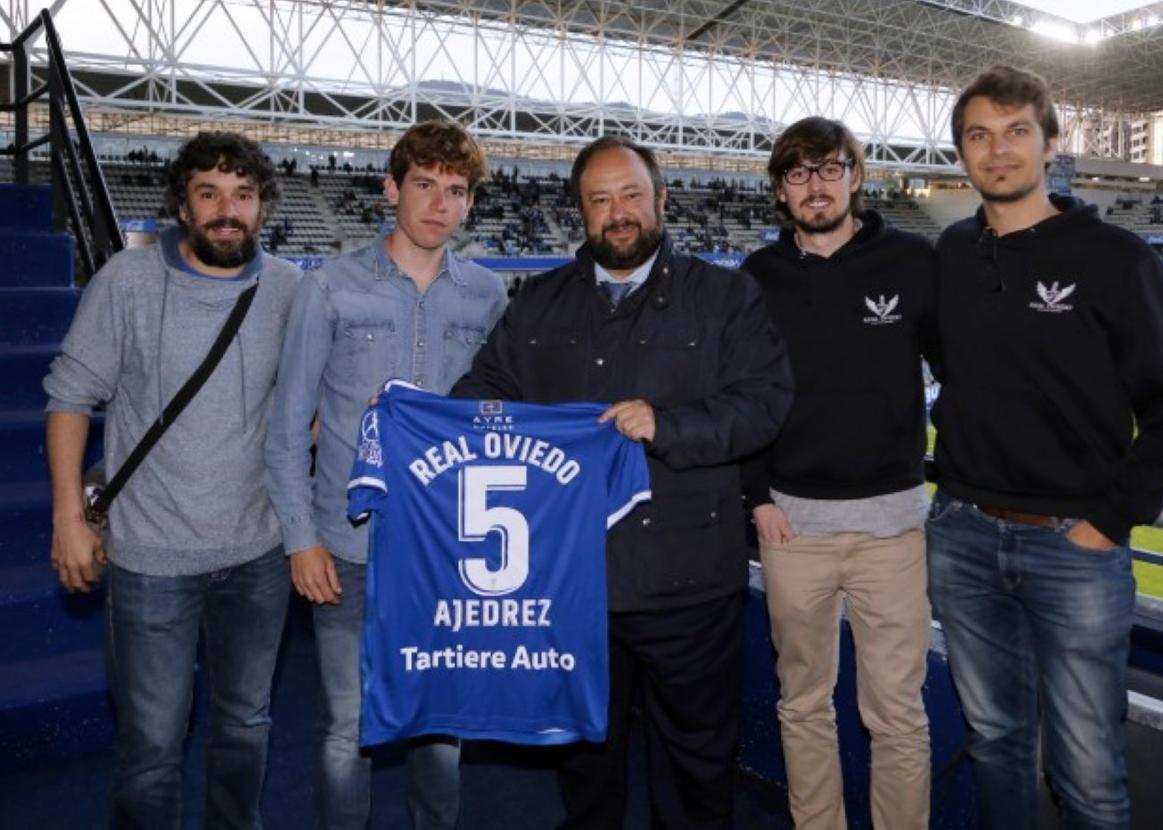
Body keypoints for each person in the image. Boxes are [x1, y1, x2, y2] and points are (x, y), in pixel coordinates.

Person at [451, 135, 792, 829]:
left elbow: (764, 404)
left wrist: (668, 425)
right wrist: (409, 415)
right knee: (585, 766)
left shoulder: (725, 296)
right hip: (575, 587)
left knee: (696, 768)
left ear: (661, 199)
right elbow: (480, 395)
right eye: (600, 200)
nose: (619, 212)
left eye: (631, 194)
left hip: (689, 585)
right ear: (581, 213)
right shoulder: (539, 303)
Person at [927, 65, 1163, 829]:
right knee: (995, 745)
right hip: (964, 537)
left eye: (1017, 132)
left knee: (1087, 775)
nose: (998, 150)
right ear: (962, 153)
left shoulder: (1116, 258)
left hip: (1072, 549)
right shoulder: (948, 253)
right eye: (979, 135)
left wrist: (1103, 525)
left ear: (1052, 143)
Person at [44, 131, 300, 828]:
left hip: (257, 555)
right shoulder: (125, 283)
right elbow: (69, 398)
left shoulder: (288, 289)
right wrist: (69, 517)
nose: (228, 210)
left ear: (262, 207)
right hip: (151, 561)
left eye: (243, 196)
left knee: (247, 726)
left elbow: (307, 399)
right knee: (152, 748)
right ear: (182, 207)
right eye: (209, 193)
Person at [264, 120, 506, 830]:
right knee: (348, 728)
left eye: (455, 191)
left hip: (448, 552)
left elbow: (499, 419)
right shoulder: (330, 288)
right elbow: (286, 428)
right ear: (391, 188)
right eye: (424, 185)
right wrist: (299, 540)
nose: (439, 204)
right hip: (349, 546)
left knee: (440, 728)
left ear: (470, 204)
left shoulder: (487, 297)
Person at [742, 117, 936, 830]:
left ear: (856, 176)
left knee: (897, 714)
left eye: (829, 169)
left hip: (892, 528)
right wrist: (755, 496)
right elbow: (745, 395)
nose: (815, 185)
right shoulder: (759, 278)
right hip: (794, 527)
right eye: (798, 173)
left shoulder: (914, 262)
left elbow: (965, 377)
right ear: (780, 191)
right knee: (802, 704)